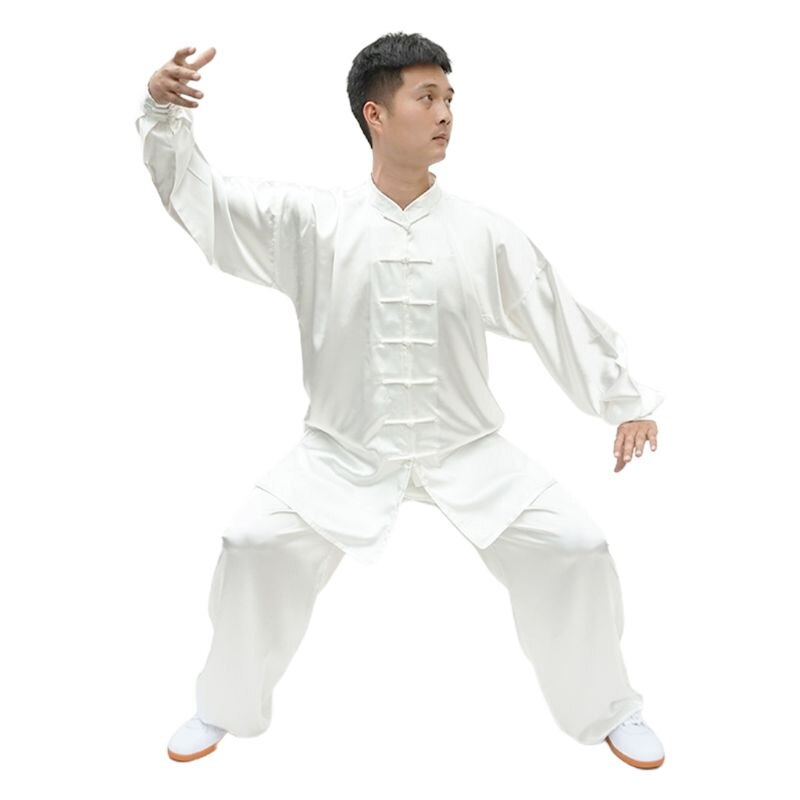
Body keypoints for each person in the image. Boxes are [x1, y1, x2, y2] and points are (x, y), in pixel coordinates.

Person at [136, 33, 666, 770]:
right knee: (251, 544)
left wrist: (626, 402)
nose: (445, 113)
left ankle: (611, 709)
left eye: (449, 98)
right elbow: (208, 206)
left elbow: (555, 315)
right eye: (427, 97)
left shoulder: (483, 233)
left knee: (578, 549)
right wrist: (164, 116)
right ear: (376, 114)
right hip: (340, 452)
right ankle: (222, 705)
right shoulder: (312, 224)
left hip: (468, 449)